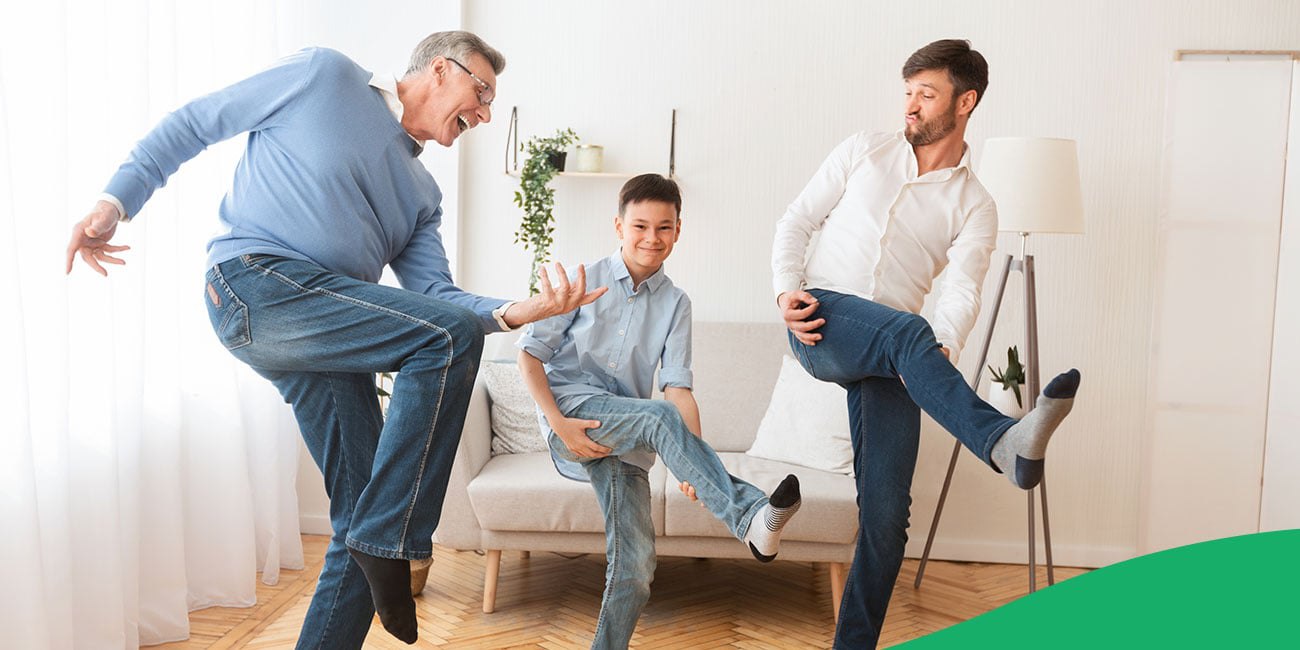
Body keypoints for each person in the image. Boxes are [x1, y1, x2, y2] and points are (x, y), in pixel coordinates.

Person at [63, 31, 606, 648]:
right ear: (437, 70)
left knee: (357, 513)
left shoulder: (423, 197)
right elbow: (196, 123)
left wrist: (517, 309)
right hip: (254, 285)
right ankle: (394, 540)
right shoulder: (325, 77)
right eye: (480, 91)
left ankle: (377, 545)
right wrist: (116, 199)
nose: (484, 113)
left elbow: (439, 300)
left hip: (326, 332)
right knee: (424, 402)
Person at [771, 39, 1081, 649]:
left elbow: (962, 290)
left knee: (888, 520)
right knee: (911, 333)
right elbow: (797, 219)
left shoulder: (976, 204)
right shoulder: (863, 150)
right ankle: (1001, 443)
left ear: (965, 102)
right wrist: (785, 292)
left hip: (894, 353)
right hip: (822, 318)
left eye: (926, 94)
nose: (910, 106)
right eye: (908, 92)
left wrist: (938, 353)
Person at [517, 173, 803, 650]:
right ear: (619, 225)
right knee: (655, 417)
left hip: (624, 442)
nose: (652, 238)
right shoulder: (582, 280)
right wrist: (558, 424)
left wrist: (691, 459)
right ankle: (751, 516)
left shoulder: (676, 304)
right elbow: (529, 357)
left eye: (664, 228)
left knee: (636, 568)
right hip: (572, 419)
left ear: (678, 230)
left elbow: (678, 391)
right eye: (641, 226)